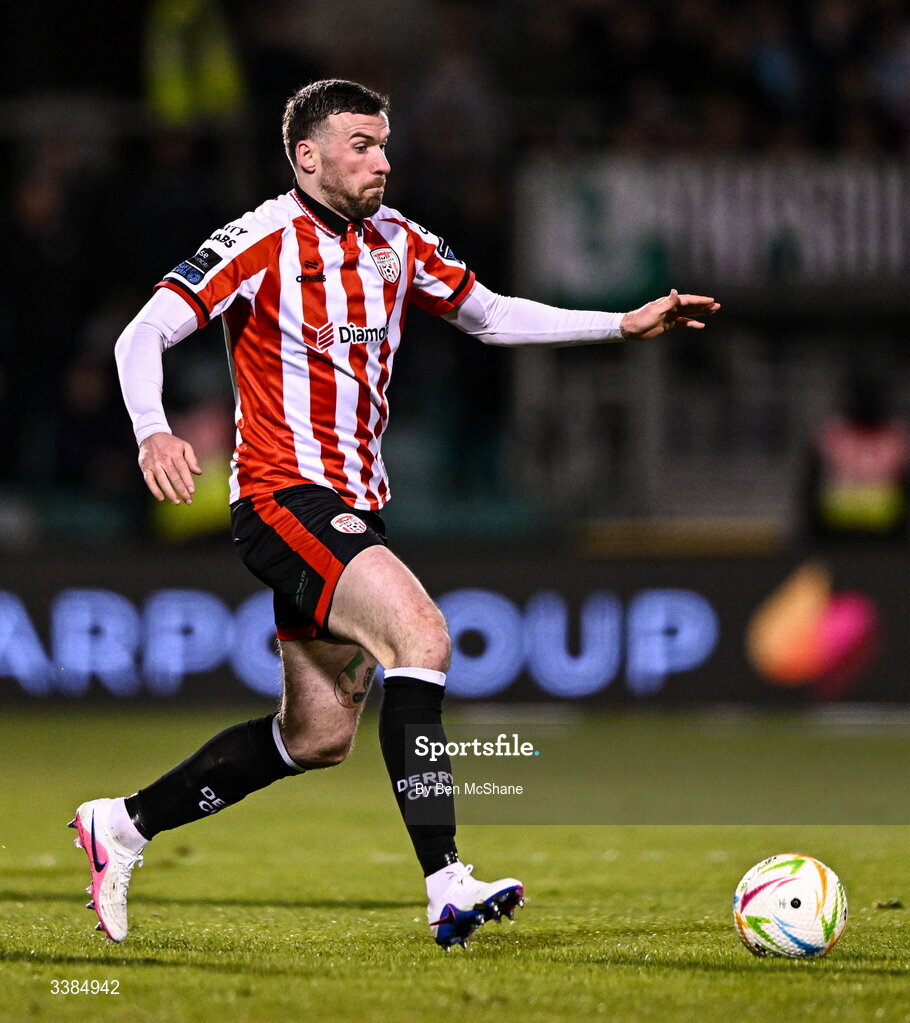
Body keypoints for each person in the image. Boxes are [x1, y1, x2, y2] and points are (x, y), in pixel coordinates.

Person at [69, 79, 720, 950]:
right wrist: (153, 431)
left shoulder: (397, 241)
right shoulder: (260, 240)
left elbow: (488, 315)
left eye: (384, 144)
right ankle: (447, 884)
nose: (382, 160)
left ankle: (122, 824)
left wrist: (618, 325)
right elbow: (139, 334)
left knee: (318, 734)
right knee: (424, 635)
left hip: (356, 505)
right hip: (281, 495)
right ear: (308, 156)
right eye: (361, 145)